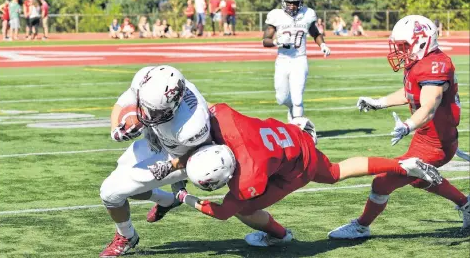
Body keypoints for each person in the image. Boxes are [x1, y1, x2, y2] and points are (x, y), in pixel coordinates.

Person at [149, 103, 442, 247]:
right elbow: (210, 111)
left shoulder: (247, 178)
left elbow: (222, 212)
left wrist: (184, 197)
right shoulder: (224, 122)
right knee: (337, 171)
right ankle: (402, 165)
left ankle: (279, 236)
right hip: (291, 137)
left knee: (247, 208)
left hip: (295, 167)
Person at [328, 15, 470, 239]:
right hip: (429, 138)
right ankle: (465, 204)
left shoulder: (434, 67)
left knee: (381, 183)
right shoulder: (422, 62)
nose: (400, 51)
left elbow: (429, 107)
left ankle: (361, 226)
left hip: (436, 144)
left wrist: (408, 125)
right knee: (416, 179)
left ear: (423, 41)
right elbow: (410, 93)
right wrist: (379, 102)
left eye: (404, 45)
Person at [99, 65, 212, 257]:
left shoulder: (192, 125)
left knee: (110, 193)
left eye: (157, 112)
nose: (147, 116)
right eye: (146, 108)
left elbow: (201, 155)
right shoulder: (149, 79)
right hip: (160, 141)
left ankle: (126, 236)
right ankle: (168, 200)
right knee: (123, 179)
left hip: (178, 157)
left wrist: (171, 167)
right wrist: (115, 129)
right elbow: (123, 101)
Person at [263, 0, 331, 122]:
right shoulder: (276, 15)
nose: (292, 6)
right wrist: (276, 42)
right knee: (281, 98)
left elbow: (315, 33)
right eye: (289, 3)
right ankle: (292, 108)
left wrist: (322, 45)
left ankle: (298, 126)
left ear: (300, 3)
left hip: (299, 59)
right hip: (283, 60)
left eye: (295, 3)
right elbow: (265, 41)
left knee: (298, 99)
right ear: (284, 3)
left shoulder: (307, 14)